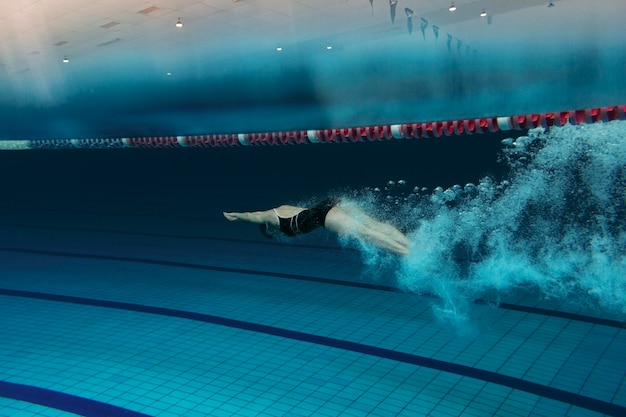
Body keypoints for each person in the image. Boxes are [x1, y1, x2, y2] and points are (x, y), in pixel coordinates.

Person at [223, 198, 410, 256]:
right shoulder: (281, 210)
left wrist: (238, 217)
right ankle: (410, 245)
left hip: (326, 215)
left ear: (269, 228)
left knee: (366, 234)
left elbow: (254, 215)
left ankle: (408, 254)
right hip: (334, 204)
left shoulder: (271, 218)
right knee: (374, 226)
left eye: (273, 234)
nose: (277, 234)